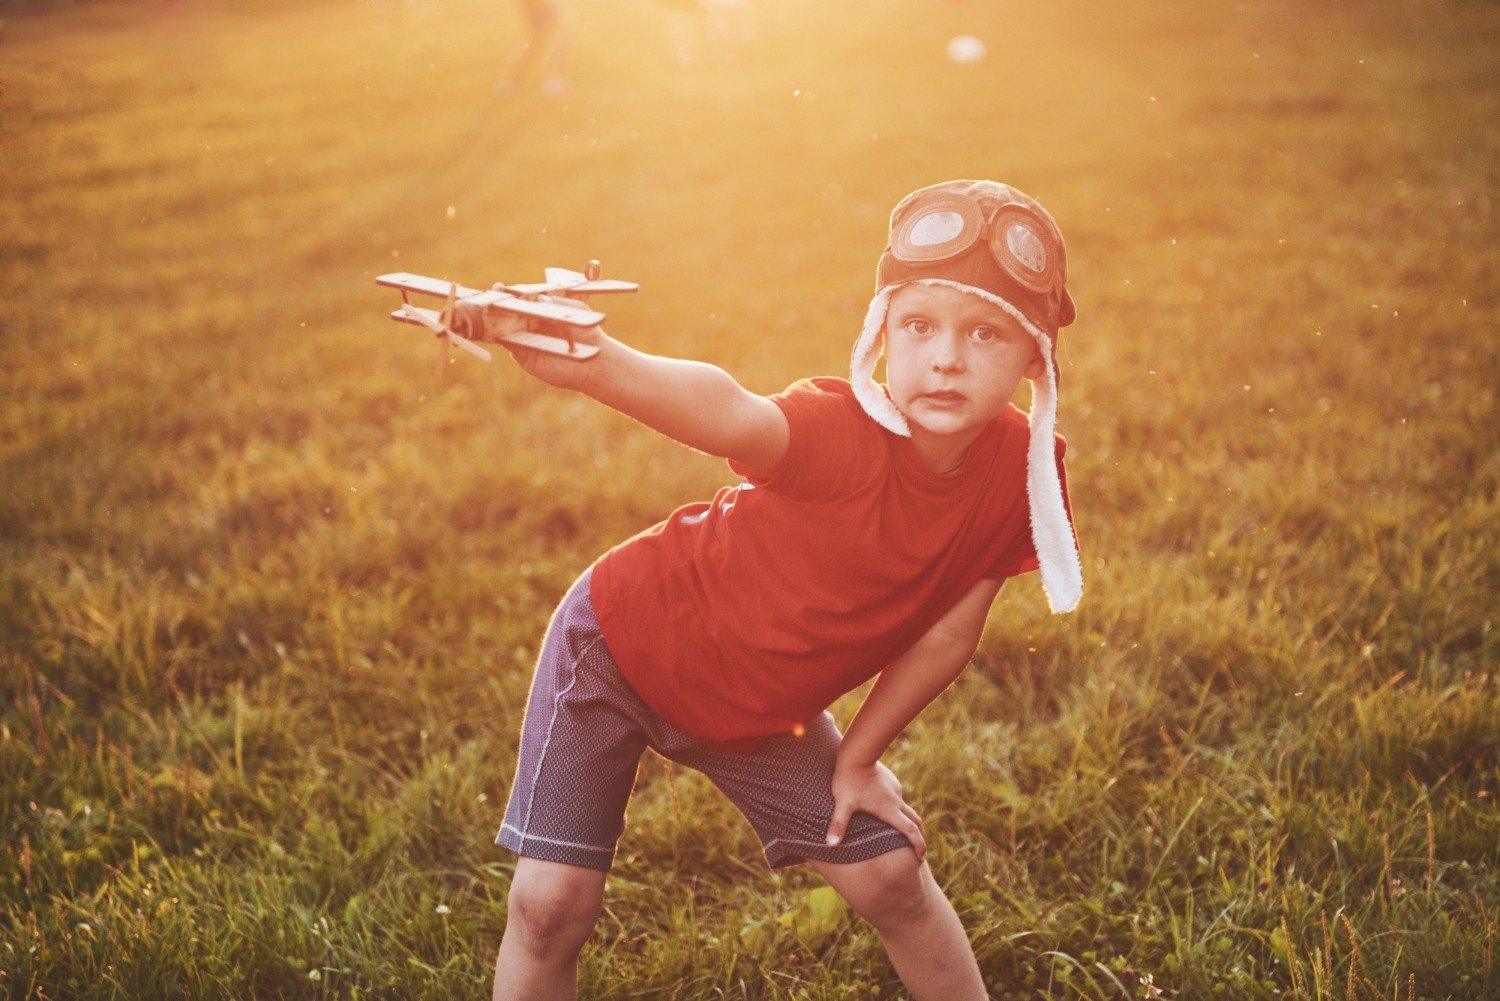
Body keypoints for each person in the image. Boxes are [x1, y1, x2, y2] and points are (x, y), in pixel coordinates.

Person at [489, 179, 1083, 1000]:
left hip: (761, 709)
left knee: (890, 877)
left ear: (1033, 356)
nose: (946, 357)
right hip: (622, 644)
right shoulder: (845, 430)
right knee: (550, 906)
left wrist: (859, 760)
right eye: (919, 325)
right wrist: (599, 366)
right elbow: (731, 412)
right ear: (883, 333)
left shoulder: (1023, 474)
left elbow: (948, 635)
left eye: (985, 332)